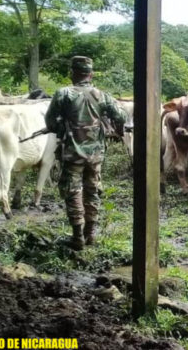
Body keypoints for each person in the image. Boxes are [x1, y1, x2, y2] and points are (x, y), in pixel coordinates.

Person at [45, 56, 128, 250]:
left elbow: (50, 122)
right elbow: (122, 116)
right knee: (92, 190)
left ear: (72, 73)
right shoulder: (102, 95)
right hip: (96, 154)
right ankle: (90, 234)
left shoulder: (63, 94)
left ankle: (77, 237)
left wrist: (61, 127)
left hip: (72, 153)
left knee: (73, 192)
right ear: (90, 74)